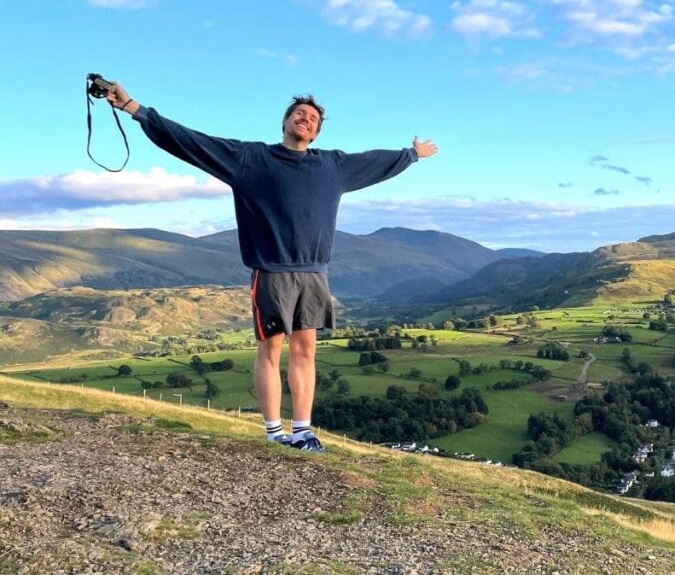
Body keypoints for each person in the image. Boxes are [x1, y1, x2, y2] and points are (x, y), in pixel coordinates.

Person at [104, 82, 438, 452]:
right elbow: (192, 142)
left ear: (317, 131)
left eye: (313, 118)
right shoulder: (251, 159)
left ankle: (303, 431)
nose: (305, 119)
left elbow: (376, 161)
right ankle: (274, 432)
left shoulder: (333, 166)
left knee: (306, 349)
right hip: (271, 270)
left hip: (314, 272)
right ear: (285, 121)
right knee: (270, 350)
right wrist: (136, 109)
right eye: (300, 114)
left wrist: (412, 154)